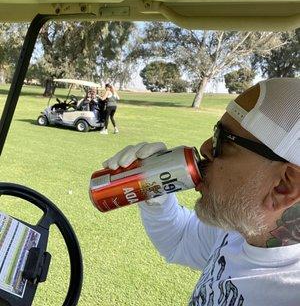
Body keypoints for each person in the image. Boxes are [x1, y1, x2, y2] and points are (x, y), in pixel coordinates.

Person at [102, 77, 300, 305]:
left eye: (223, 139)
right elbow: (180, 239)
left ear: (284, 185)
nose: (205, 147)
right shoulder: (240, 229)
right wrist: (156, 193)